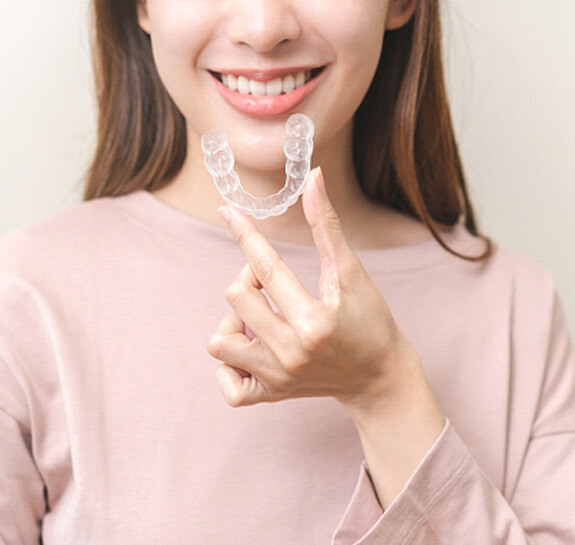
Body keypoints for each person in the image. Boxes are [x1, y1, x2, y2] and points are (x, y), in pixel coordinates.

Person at [0, 0, 573, 543]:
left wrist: (386, 392)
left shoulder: (516, 306)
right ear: (143, 5)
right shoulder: (27, 293)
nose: (263, 26)